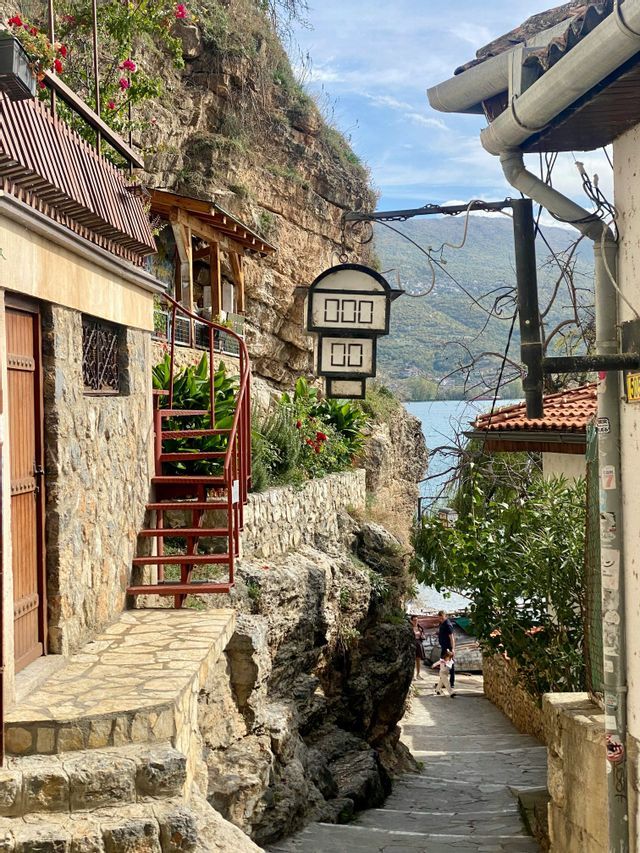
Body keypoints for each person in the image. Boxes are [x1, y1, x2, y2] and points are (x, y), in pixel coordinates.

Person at [437, 610, 456, 690]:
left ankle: (451, 683)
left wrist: (453, 649)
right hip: (444, 647)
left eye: (441, 618)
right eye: (439, 618)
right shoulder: (442, 624)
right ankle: (443, 682)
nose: (440, 619)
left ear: (445, 616)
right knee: (443, 665)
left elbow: (451, 638)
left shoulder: (448, 624)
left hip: (448, 648)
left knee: (450, 666)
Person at [410, 615, 426, 680]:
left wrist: (423, 636)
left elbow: (423, 636)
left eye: (416, 620)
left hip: (419, 644)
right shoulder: (410, 628)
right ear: (411, 621)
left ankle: (418, 674)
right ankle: (413, 675)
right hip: (412, 644)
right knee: (412, 660)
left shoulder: (420, 627)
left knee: (418, 660)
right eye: (414, 620)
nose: (415, 621)